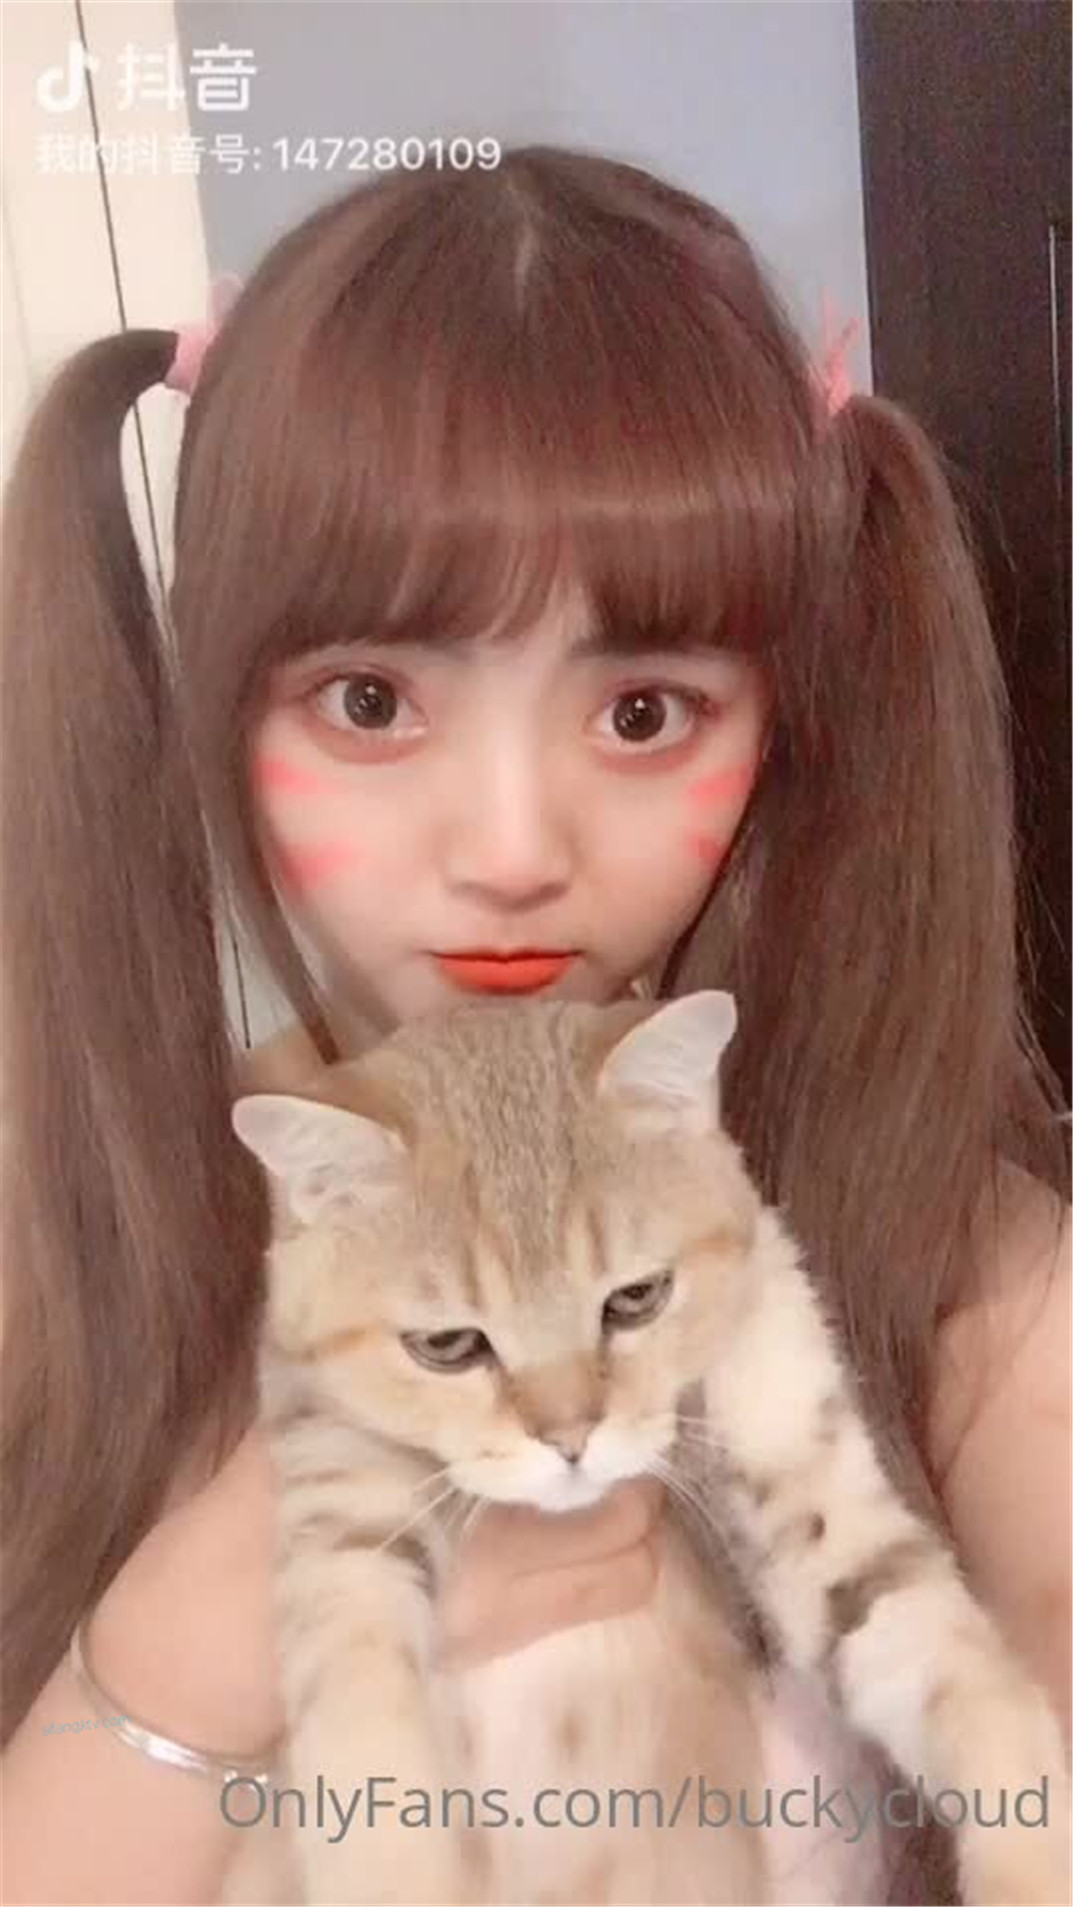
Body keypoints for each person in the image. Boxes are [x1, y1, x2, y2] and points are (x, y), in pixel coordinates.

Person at [0, 145, 1068, 1906]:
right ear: (209, 688)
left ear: (782, 722)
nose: (510, 850)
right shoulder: (66, 1261)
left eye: (643, 711)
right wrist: (192, 1651)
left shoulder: (970, 1281)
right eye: (370, 700)